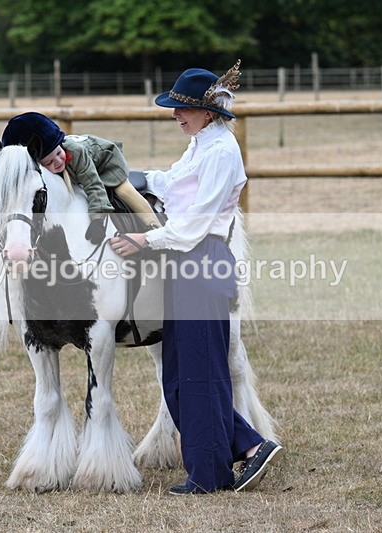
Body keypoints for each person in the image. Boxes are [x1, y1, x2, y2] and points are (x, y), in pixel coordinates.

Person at [110, 60, 283, 495]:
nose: (175, 115)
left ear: (207, 112)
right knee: (177, 375)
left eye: (182, 108)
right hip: (183, 263)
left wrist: (144, 241)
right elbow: (171, 183)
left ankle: (209, 474)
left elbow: (196, 223)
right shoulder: (201, 144)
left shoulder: (222, 152)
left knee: (199, 373)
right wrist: (126, 177)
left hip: (202, 260)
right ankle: (248, 445)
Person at [0, 112, 161, 244]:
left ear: (61, 145)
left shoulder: (75, 152)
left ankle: (155, 227)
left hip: (105, 164)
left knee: (123, 190)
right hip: (77, 170)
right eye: (49, 162)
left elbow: (93, 185)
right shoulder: (43, 170)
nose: (58, 161)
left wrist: (98, 220)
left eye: (58, 153)